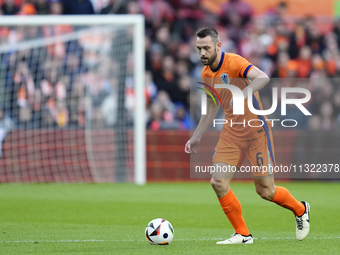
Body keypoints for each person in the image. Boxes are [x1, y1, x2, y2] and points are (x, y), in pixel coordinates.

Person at [184, 28, 310, 244]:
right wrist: (196, 136)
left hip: (256, 133)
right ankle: (242, 234)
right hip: (231, 134)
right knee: (218, 182)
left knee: (266, 191)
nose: (202, 53)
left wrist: (242, 94)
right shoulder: (206, 73)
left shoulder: (234, 62)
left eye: (206, 48)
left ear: (218, 46)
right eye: (199, 49)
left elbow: (263, 78)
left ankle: (300, 209)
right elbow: (212, 106)